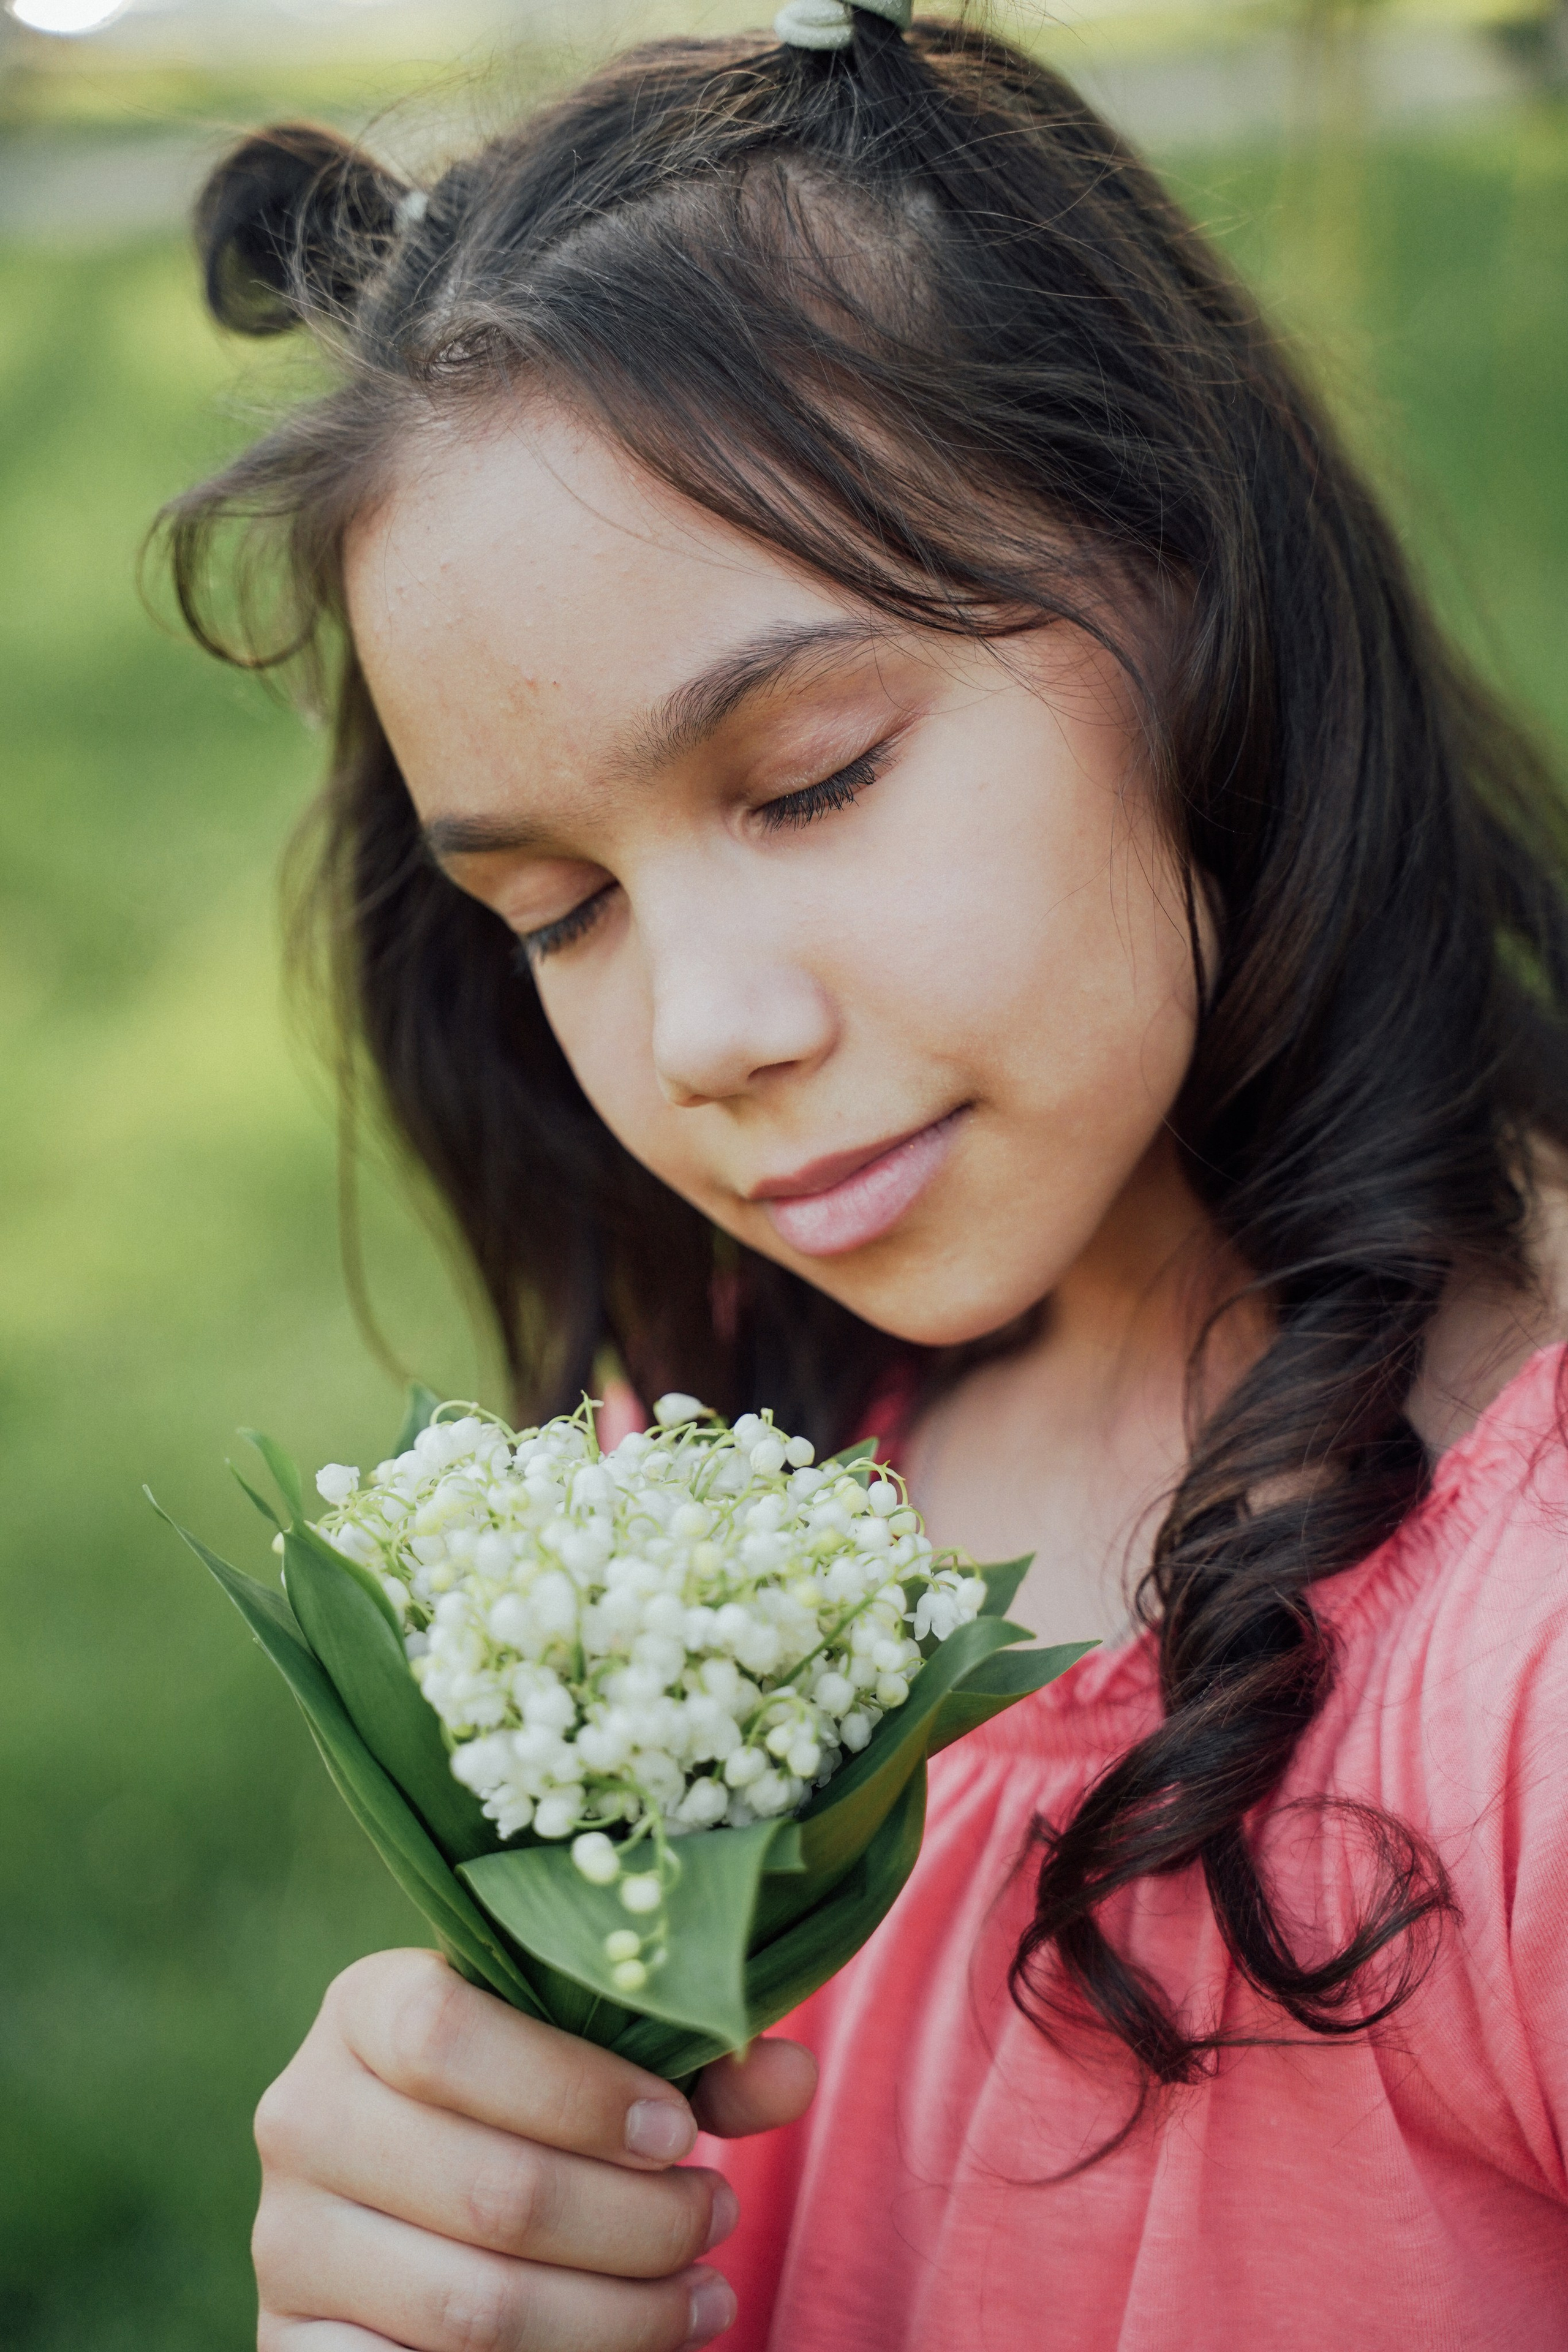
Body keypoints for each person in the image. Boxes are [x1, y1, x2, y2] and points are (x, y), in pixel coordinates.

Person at [160, 6, 1568, 2345]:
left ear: (1203, 591)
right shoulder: (714, 1507)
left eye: (811, 778)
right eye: (560, 912)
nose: (701, 1032)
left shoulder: (1525, 1682)